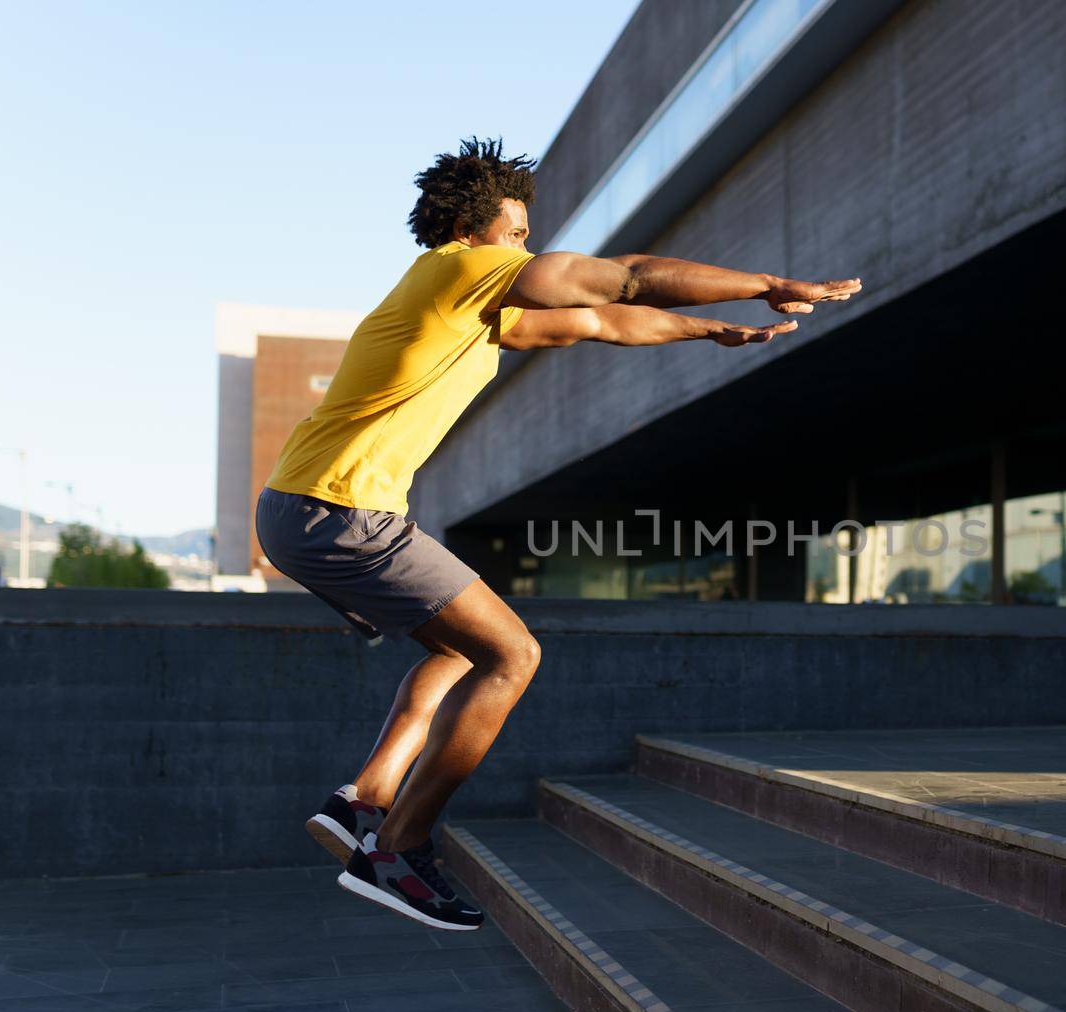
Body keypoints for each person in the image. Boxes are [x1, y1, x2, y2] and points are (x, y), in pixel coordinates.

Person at [255, 137, 862, 930]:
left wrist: (707, 332)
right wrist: (769, 284)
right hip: (336, 509)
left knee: (455, 650)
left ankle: (364, 798)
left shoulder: (463, 311)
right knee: (514, 656)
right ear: (475, 232)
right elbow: (626, 276)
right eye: (516, 233)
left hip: (305, 507)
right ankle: (396, 850)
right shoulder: (458, 270)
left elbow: (599, 319)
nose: (527, 248)